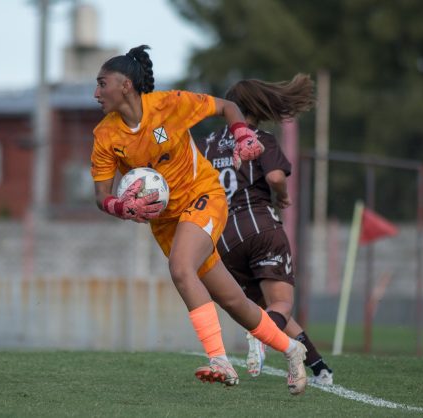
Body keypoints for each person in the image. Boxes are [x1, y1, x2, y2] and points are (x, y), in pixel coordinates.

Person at [90, 45, 308, 395]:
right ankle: (291, 348)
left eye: (102, 84)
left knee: (180, 269)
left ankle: (220, 360)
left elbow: (226, 106)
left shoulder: (168, 105)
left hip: (202, 196)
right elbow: (102, 195)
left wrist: (242, 134)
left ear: (126, 85)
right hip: (165, 222)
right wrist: (121, 207)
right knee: (234, 301)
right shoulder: (105, 136)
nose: (96, 93)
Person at [196, 74, 334, 385]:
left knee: (267, 309)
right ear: (258, 105)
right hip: (259, 227)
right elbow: (274, 178)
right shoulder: (259, 138)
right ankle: (259, 339)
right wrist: (283, 196)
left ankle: (319, 367)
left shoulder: (206, 144)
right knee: (281, 304)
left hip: (221, 238)